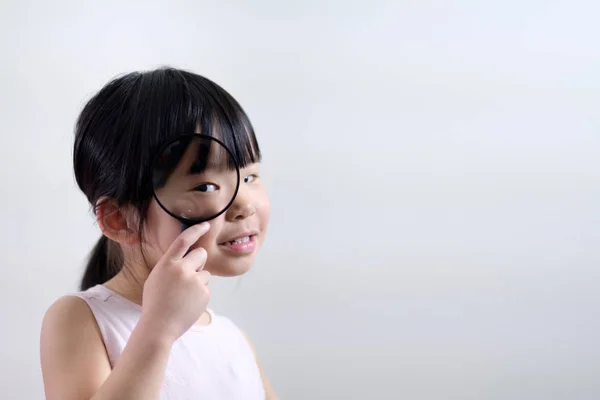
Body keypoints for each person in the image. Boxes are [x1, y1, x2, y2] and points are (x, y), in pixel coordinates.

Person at [39, 67, 278, 400]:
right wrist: (159, 328)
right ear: (119, 220)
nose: (245, 204)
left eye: (250, 176)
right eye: (206, 185)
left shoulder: (235, 341)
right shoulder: (79, 320)